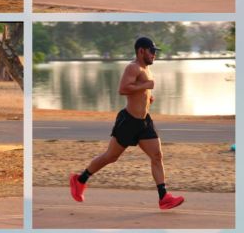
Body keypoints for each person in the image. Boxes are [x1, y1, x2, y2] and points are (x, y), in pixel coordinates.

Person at [69, 37, 185, 210]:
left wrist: (147, 98)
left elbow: (138, 90)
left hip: (144, 121)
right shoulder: (133, 67)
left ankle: (164, 197)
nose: (154, 55)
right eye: (152, 51)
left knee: (157, 156)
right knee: (111, 156)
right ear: (141, 51)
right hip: (129, 121)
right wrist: (146, 85)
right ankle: (79, 180)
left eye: (155, 52)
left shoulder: (146, 69)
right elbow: (123, 89)